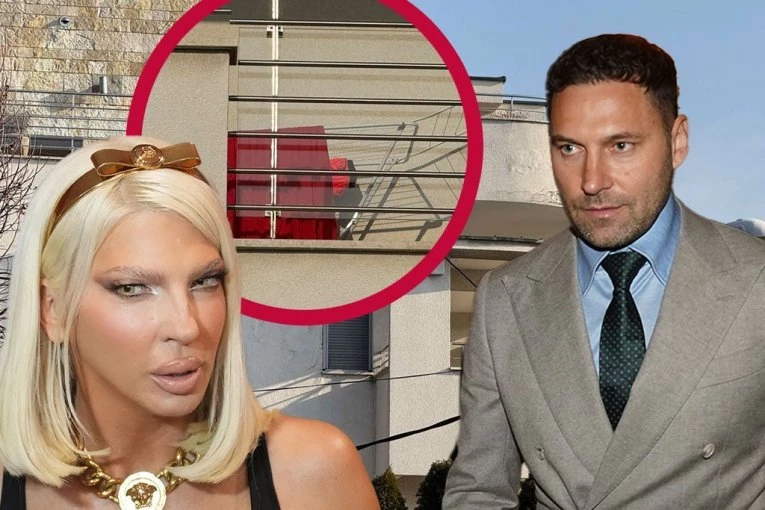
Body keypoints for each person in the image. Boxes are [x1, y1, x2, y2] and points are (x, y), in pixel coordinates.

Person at [443, 34, 765, 509]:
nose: (592, 181)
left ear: (677, 142)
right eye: (570, 148)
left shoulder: (755, 280)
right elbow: (478, 489)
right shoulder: (504, 299)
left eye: (621, 145)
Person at [0, 137, 380, 510]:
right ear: (52, 309)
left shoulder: (315, 472)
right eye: (132, 288)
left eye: (205, 281)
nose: (186, 327)